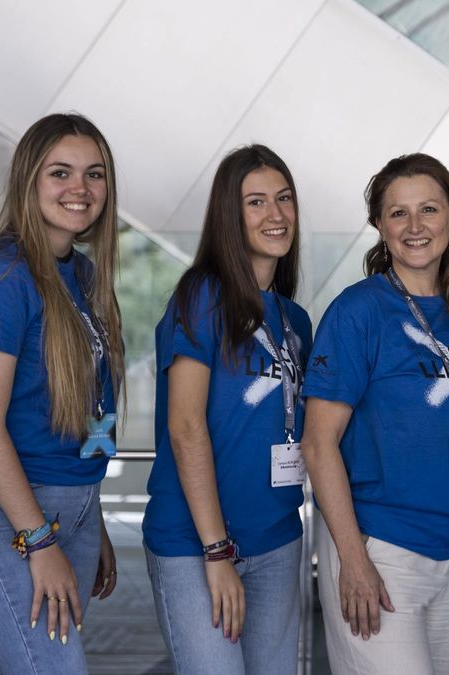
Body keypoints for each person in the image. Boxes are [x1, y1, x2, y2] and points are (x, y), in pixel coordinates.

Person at [301, 153, 449, 675]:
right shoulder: (358, 312)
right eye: (398, 213)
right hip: (384, 551)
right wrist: (352, 559)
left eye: (429, 209)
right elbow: (318, 444)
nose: (415, 227)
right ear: (378, 225)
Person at [0, 113, 125, 674]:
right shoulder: (1, 278)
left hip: (70, 510)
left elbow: (89, 405)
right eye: (61, 173)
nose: (80, 189)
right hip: (3, 517)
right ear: (29, 180)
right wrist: (41, 541)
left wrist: (86, 516)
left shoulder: (85, 276)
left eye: (94, 175)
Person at [142, 144, 312, 673]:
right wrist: (217, 552)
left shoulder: (296, 321)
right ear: (229, 216)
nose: (276, 214)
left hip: (279, 540)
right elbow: (186, 427)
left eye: (284, 199)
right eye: (256, 202)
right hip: (197, 546)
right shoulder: (202, 297)